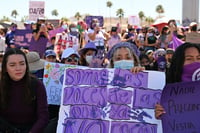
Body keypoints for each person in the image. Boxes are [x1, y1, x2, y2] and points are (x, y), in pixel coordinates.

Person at [0, 48, 49, 132]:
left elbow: (43, 116)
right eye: (12, 65)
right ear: (5, 68)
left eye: (22, 64)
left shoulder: (37, 85)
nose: (18, 68)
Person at [155, 42, 200, 119]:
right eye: (189, 59)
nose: (195, 62)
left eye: (199, 58)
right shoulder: (166, 88)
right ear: (179, 62)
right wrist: (160, 115)